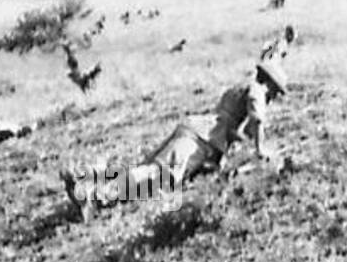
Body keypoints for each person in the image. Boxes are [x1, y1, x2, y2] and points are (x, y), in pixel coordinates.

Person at [61, 59, 288, 221]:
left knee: (147, 168)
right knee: (160, 177)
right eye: (275, 92)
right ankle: (93, 196)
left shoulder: (237, 88)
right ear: (268, 83)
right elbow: (256, 119)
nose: (274, 98)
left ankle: (88, 175)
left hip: (194, 129)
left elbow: (235, 127)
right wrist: (261, 149)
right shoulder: (257, 90)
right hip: (201, 139)